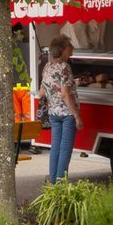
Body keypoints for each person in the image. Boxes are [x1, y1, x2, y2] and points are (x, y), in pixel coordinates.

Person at [39, 34, 81, 184]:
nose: (72, 49)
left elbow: (41, 92)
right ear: (63, 49)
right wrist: (76, 116)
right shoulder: (65, 67)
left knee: (55, 148)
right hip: (67, 113)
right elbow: (65, 94)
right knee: (65, 150)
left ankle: (53, 182)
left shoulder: (47, 66)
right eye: (70, 46)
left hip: (53, 113)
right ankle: (61, 182)